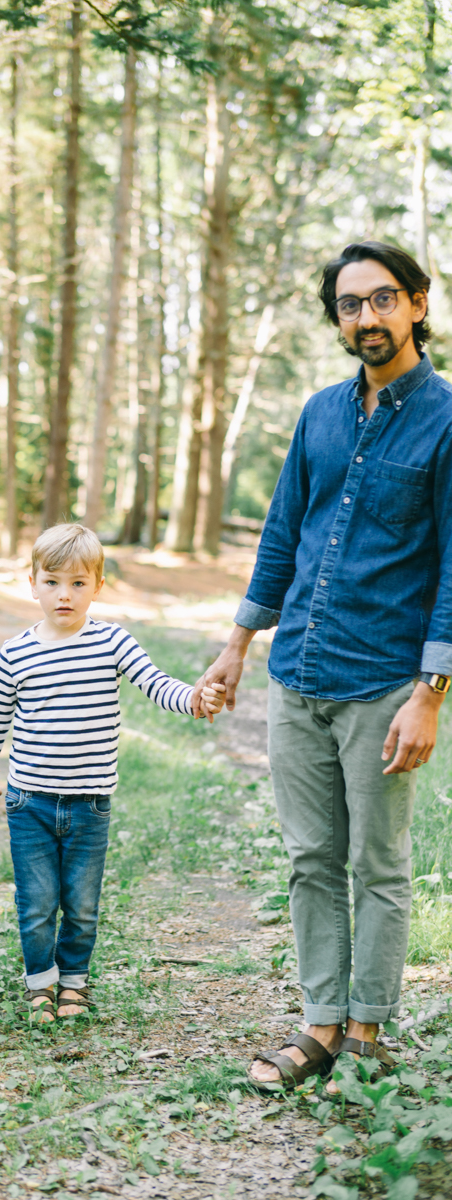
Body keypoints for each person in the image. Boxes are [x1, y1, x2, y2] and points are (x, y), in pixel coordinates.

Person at [192, 241, 452, 1091]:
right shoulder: (319, 414)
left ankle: (369, 1033)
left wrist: (430, 694)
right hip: (297, 672)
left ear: (417, 303)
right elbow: (281, 536)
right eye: (349, 305)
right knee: (311, 860)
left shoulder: (447, 419)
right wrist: (239, 644)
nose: (366, 318)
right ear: (336, 317)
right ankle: (320, 1026)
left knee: (377, 862)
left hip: (384, 683)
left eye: (382, 300)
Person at [0, 523, 225, 1023]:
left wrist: (195, 699)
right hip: (31, 802)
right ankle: (40, 985)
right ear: (32, 582)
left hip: (91, 802)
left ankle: (74, 984)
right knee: (38, 902)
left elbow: (156, 685)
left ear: (98, 586)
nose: (64, 595)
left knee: (82, 905)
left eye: (78, 583)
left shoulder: (112, 642)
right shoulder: (16, 651)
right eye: (52, 582)